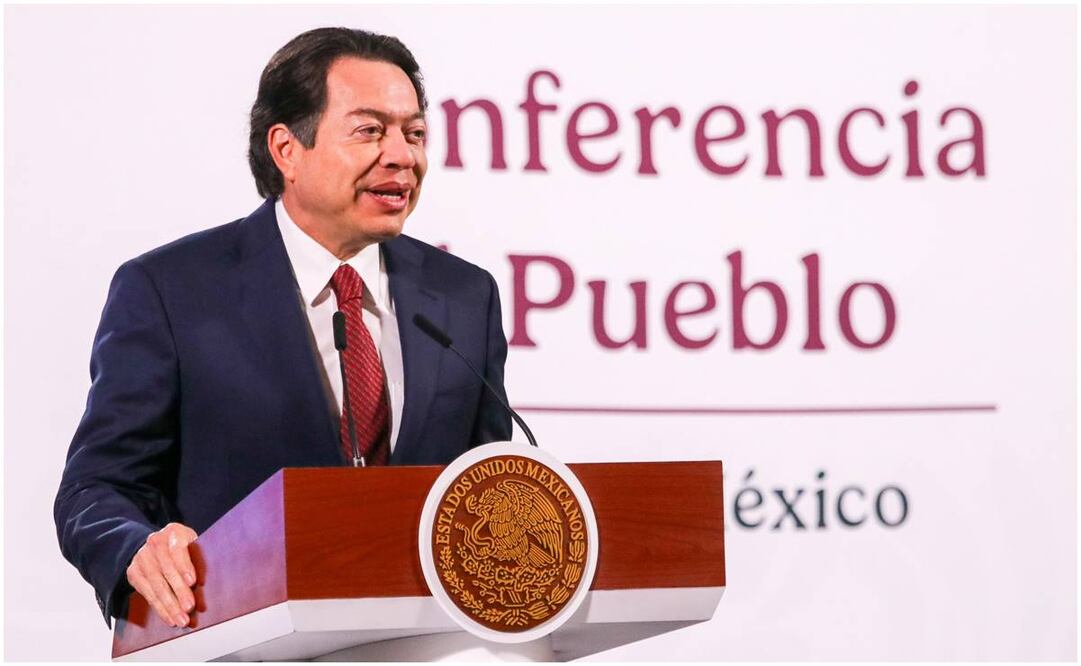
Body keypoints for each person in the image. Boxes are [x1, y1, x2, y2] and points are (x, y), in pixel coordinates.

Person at [53, 27, 512, 630]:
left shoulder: (464, 295)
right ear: (287, 149)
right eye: (370, 130)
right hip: (236, 635)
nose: (403, 155)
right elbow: (97, 487)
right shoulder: (171, 290)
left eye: (415, 133)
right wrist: (137, 549)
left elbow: (488, 484)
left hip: (422, 644)